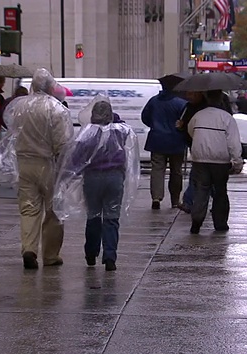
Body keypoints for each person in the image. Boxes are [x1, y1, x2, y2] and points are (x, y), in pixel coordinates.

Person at [59, 98, 139, 271]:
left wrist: (66, 177)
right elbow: (123, 130)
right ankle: (110, 256)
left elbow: (76, 159)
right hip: (114, 178)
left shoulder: (88, 133)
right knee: (112, 217)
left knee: (93, 215)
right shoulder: (121, 131)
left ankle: (91, 252)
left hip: (93, 178)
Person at [11, 68, 73, 269]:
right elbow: (62, 142)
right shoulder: (56, 109)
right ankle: (50, 254)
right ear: (51, 87)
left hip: (24, 163)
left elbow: (11, 133)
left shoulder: (19, 107)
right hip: (49, 164)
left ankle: (29, 248)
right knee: (54, 210)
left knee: (29, 208)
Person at [187, 90, 243, 234]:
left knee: (201, 189)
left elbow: (191, 131)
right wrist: (237, 161)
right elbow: (233, 142)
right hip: (220, 160)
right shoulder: (227, 118)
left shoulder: (198, 115)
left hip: (200, 158)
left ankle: (196, 221)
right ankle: (220, 223)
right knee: (220, 191)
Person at [141, 83, 188, 210]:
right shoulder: (181, 103)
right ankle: (175, 200)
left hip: (157, 140)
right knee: (176, 171)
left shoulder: (153, 101)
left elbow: (144, 117)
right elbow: (185, 122)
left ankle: (156, 197)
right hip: (176, 141)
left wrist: (154, 125)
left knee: (157, 170)